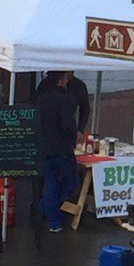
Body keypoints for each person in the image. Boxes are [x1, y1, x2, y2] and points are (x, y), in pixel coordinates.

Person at [37, 71, 80, 233]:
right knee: (72, 182)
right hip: (61, 147)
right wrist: (72, 137)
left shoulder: (42, 98)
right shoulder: (64, 99)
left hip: (44, 147)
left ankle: (50, 214)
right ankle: (49, 210)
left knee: (51, 183)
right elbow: (68, 123)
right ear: (61, 81)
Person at [34, 71, 91, 139]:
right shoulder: (46, 83)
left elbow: (85, 108)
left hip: (66, 130)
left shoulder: (78, 85)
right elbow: (35, 104)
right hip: (46, 127)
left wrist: (80, 129)